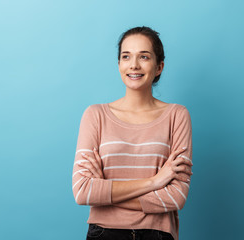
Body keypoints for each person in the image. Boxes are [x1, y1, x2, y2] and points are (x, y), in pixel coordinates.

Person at [72, 26, 193, 240]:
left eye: (144, 57)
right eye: (126, 56)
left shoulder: (177, 116)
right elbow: (83, 191)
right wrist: (154, 182)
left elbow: (176, 197)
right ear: (119, 64)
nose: (134, 65)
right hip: (104, 233)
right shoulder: (95, 115)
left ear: (159, 67)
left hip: (157, 234)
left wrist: (106, 192)